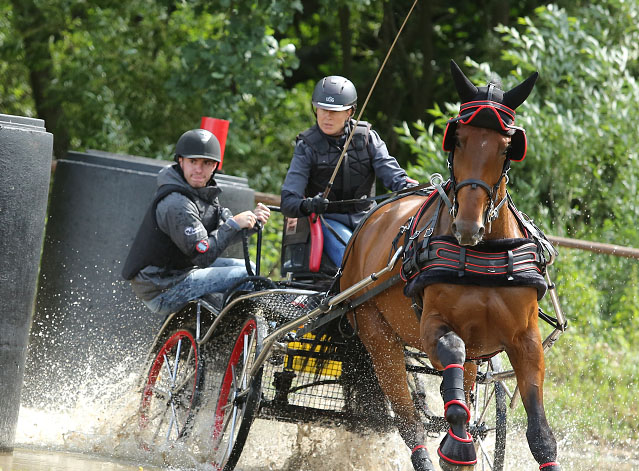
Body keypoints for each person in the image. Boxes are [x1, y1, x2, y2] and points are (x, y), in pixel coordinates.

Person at [122, 128, 271, 315]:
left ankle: (222, 331)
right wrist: (233, 224)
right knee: (247, 276)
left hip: (182, 272)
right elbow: (203, 255)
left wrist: (251, 222)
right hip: (162, 289)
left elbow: (221, 235)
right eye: (193, 162)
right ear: (181, 161)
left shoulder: (202, 191)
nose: (199, 170)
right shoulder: (177, 202)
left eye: (206, 163)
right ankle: (230, 337)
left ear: (215, 165)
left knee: (251, 269)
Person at [281, 75, 417, 269]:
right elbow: (288, 201)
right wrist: (309, 204)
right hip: (328, 221)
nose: (327, 116)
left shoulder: (367, 137)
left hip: (369, 219)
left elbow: (393, 176)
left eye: (334, 112)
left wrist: (407, 186)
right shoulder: (306, 146)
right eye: (322, 109)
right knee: (352, 259)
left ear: (350, 112)